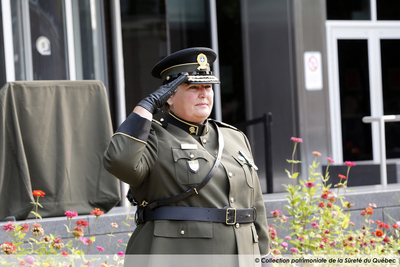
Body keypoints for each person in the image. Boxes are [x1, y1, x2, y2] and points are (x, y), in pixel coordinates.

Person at [103, 47, 270, 266]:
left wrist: (265, 258)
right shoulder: (153, 136)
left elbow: (255, 206)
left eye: (208, 87)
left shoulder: (234, 137)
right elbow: (118, 161)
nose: (204, 93)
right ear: (169, 96)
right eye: (193, 87)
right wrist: (146, 107)